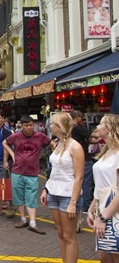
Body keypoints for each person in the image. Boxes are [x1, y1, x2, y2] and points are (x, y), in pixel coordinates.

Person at [40, 112, 84, 263]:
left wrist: (73, 202)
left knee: (69, 235)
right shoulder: (57, 144)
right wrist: (46, 189)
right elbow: (54, 170)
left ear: (59, 127)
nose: (50, 126)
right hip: (53, 192)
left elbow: (79, 177)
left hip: (68, 194)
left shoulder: (75, 147)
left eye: (52, 124)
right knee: (60, 232)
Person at [3, 115, 52, 235]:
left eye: (31, 125)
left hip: (32, 172)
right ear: (22, 126)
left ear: (34, 125)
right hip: (17, 170)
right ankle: (23, 219)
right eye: (26, 125)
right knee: (18, 196)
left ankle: (33, 222)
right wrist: (12, 155)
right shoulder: (16, 136)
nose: (29, 128)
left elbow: (51, 144)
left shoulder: (40, 136)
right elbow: (5, 143)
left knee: (31, 196)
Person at [87, 114, 119, 262]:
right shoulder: (106, 151)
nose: (97, 127)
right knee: (104, 256)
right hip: (103, 209)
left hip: (112, 211)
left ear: (110, 128)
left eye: (100, 124)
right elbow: (102, 185)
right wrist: (92, 208)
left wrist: (103, 217)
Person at [70, 110, 93, 214]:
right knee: (86, 182)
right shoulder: (78, 128)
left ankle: (78, 203)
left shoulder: (69, 128)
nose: (82, 119)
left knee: (77, 180)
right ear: (77, 117)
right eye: (81, 117)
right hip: (84, 158)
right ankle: (85, 205)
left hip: (74, 157)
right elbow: (91, 137)